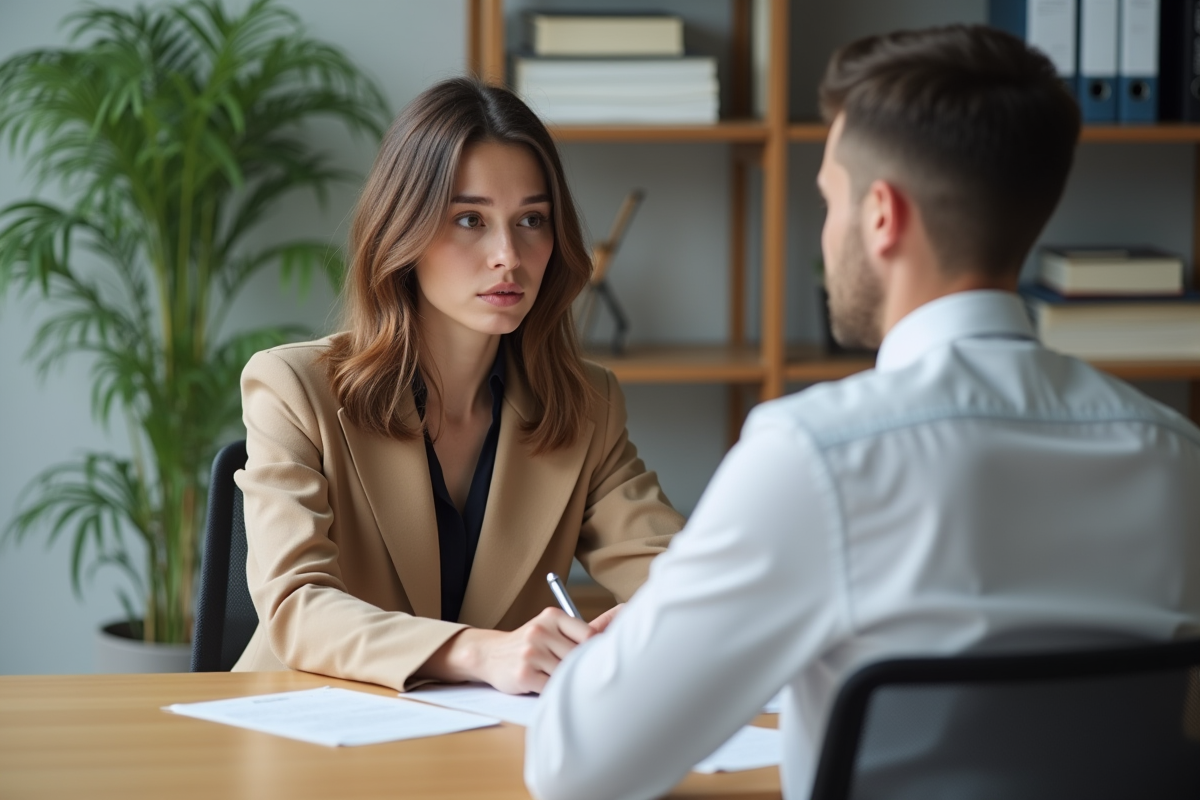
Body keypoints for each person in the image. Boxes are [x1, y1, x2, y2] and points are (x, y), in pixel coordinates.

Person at [525, 25, 1200, 800]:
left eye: (827, 200)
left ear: (882, 215)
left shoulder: (815, 456)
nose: (826, 229)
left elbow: (575, 770)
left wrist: (632, 652)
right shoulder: (1176, 457)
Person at [232, 78, 683, 694]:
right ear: (403, 233)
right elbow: (296, 607)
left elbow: (680, 577)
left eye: (532, 220)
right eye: (470, 219)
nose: (509, 255)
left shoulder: (586, 406)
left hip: (485, 754)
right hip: (303, 740)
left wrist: (655, 622)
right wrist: (479, 652)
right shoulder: (292, 387)